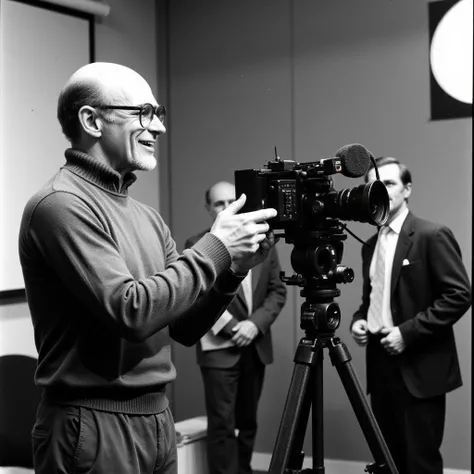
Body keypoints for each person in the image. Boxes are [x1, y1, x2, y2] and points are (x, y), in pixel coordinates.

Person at [18, 62, 279, 474]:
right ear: (92, 120)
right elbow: (132, 311)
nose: (157, 127)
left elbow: (184, 326)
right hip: (94, 424)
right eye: (143, 113)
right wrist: (216, 245)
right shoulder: (60, 205)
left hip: (155, 418)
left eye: (159, 114)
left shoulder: (146, 216)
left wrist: (233, 268)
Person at [350, 156, 471, 474]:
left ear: (407, 189)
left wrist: (407, 333)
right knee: (389, 461)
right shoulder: (370, 245)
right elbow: (373, 300)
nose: (381, 190)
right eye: (374, 185)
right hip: (380, 367)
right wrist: (359, 321)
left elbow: (459, 295)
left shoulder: (432, 235)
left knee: (420, 464)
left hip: (420, 368)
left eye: (389, 183)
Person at [185, 181, 287, 474]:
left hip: (255, 346)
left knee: (249, 422)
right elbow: (197, 295)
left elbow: (277, 291)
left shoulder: (263, 240)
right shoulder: (197, 244)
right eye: (219, 203)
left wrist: (254, 326)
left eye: (232, 200)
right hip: (219, 349)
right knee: (222, 425)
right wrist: (232, 328)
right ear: (209, 209)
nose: (227, 207)